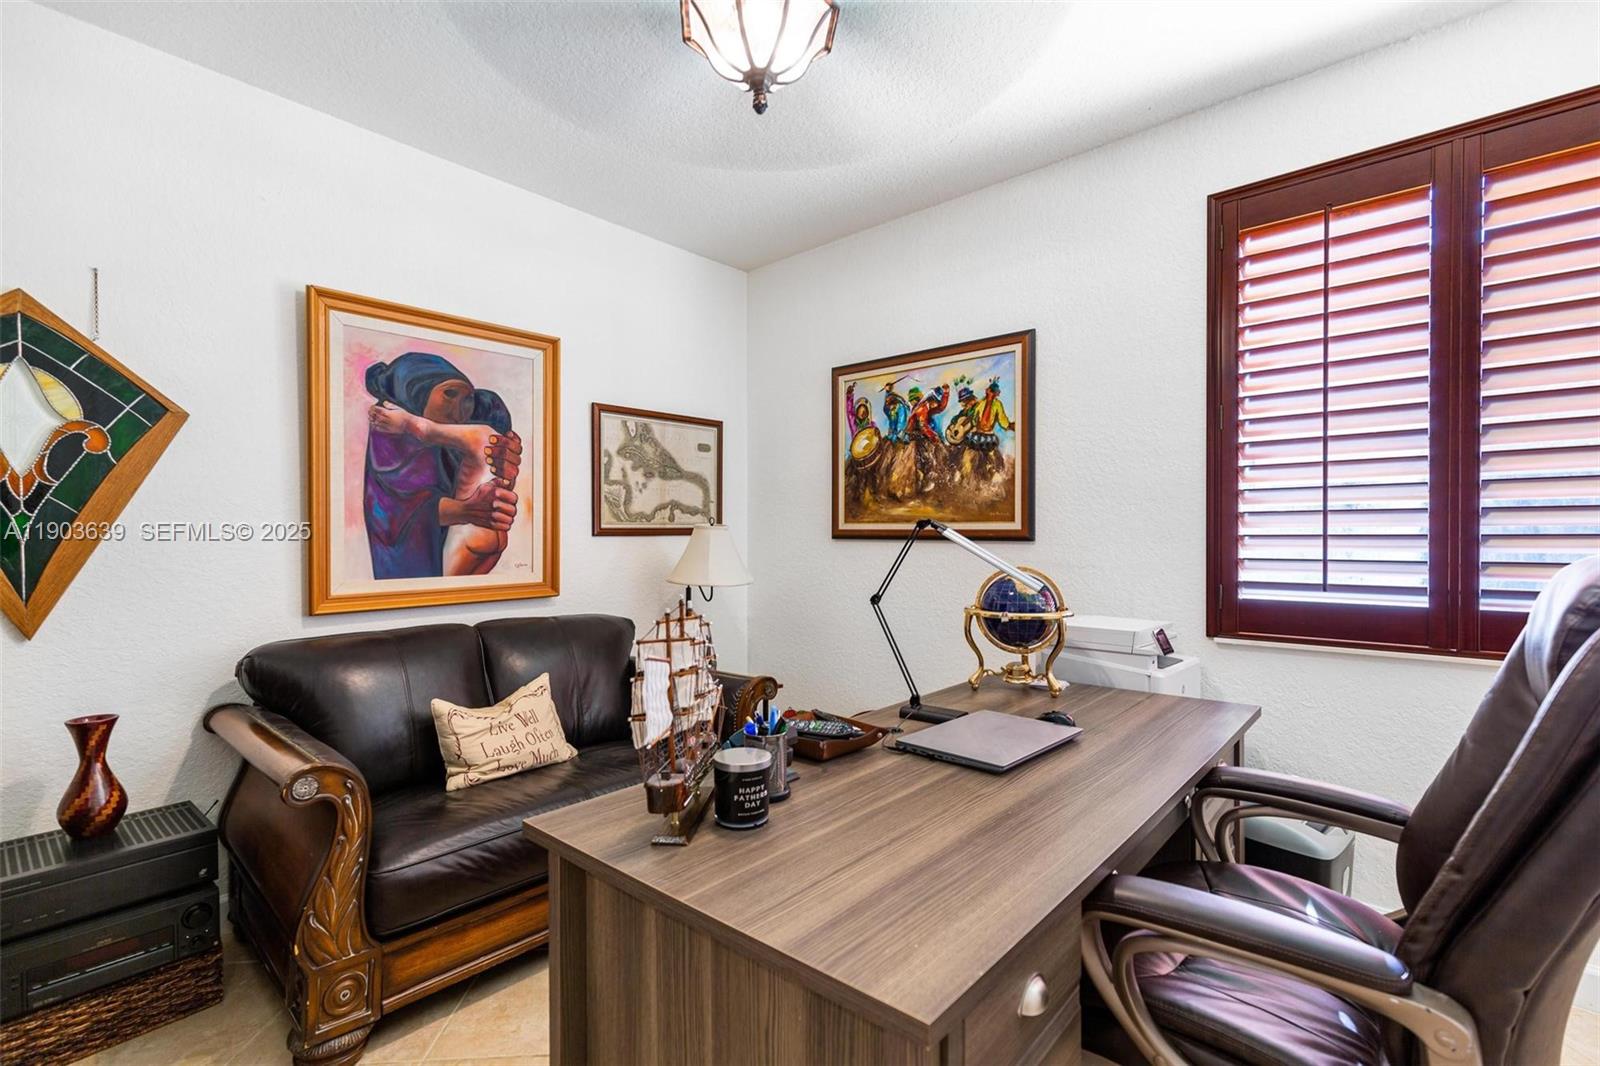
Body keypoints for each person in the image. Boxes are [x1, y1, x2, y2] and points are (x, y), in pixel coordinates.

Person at [363, 352, 521, 580]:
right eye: (449, 394)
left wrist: (504, 469)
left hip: (465, 544)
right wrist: (465, 510)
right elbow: (393, 513)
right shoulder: (391, 435)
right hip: (418, 561)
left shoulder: (449, 436)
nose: (459, 413)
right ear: (416, 390)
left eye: (467, 400)